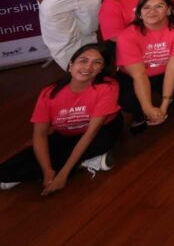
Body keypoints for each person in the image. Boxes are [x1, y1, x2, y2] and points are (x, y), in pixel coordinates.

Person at [0, 44, 120, 193]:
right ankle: (87, 161)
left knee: (66, 156)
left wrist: (64, 174)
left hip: (100, 131)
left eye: (97, 62)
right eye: (83, 60)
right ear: (71, 65)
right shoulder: (49, 94)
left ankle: (27, 175)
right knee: (10, 166)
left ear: (101, 69)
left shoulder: (108, 87)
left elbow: (91, 133)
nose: (88, 67)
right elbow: (40, 135)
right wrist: (47, 171)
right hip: (66, 134)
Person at [115, 0, 174, 131]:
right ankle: (140, 115)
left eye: (159, 6)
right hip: (136, 75)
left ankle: (169, 99)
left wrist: (164, 105)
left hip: (166, 70)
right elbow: (139, 75)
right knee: (128, 101)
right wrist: (148, 108)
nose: (152, 11)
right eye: (146, 7)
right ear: (139, 13)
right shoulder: (127, 36)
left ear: (169, 10)